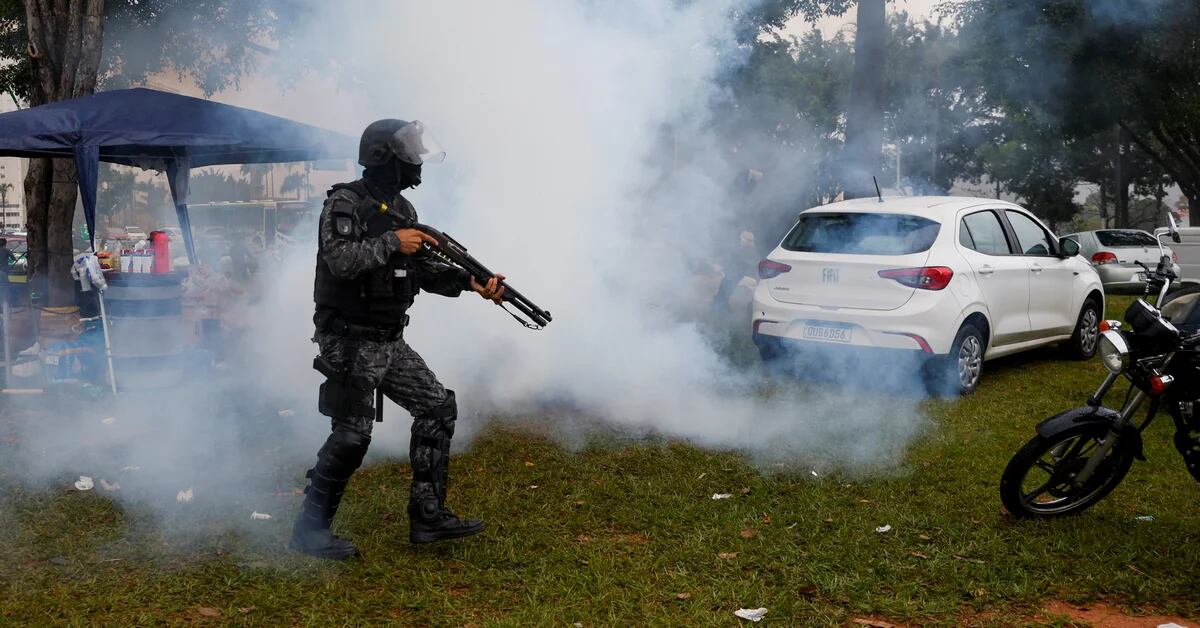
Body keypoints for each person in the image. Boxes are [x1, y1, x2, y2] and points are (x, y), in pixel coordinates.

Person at [291, 119, 506, 560]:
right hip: (348, 340)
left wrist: (471, 282)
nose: (417, 162)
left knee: (436, 406)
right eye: (408, 153)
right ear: (383, 157)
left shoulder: (403, 212)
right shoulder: (344, 202)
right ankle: (308, 532)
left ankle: (428, 515)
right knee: (352, 435)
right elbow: (341, 261)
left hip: (388, 341)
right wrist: (392, 242)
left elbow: (425, 272)